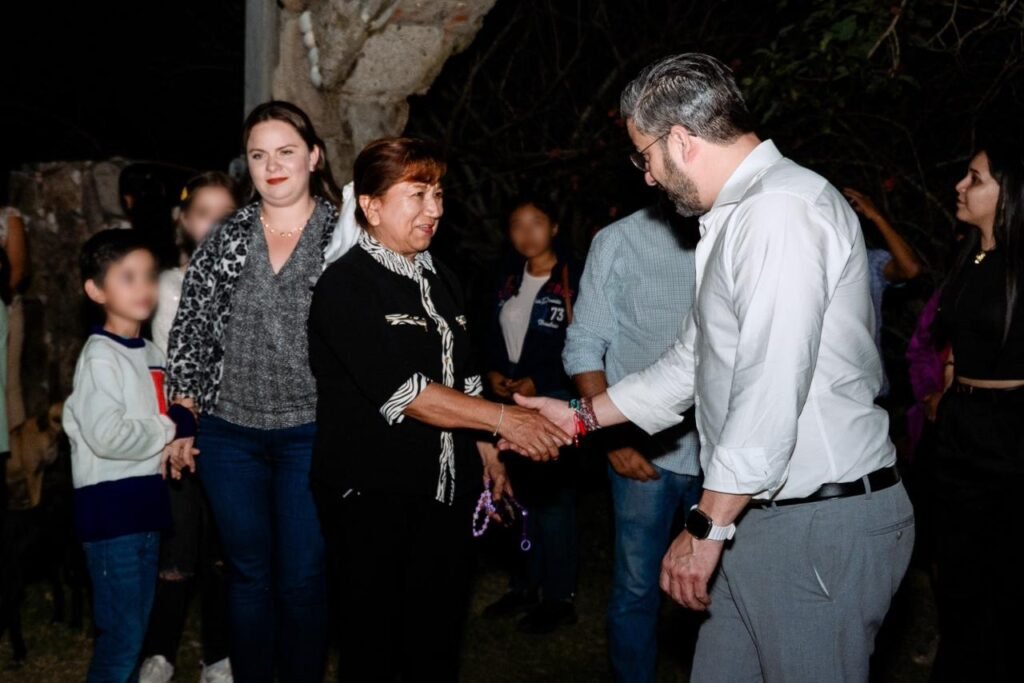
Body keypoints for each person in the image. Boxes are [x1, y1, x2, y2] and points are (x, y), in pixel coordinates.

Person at [507, 53, 914, 682]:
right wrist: (580, 417)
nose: (646, 177)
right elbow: (691, 363)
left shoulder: (780, 212)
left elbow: (769, 382)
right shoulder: (738, 216)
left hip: (815, 521)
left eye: (643, 157)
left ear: (680, 140)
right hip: (759, 515)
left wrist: (706, 523)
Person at [308, 137, 571, 682]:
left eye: (439, 194)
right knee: (374, 650)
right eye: (418, 194)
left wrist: (489, 456)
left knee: (436, 642)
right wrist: (506, 419)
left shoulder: (442, 277)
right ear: (372, 206)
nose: (435, 209)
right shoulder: (345, 285)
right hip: (372, 497)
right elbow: (407, 393)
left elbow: (467, 376)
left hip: (446, 496)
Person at [164, 101, 343, 683]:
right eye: (259, 155)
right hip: (229, 435)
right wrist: (184, 417)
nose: (273, 166)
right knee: (247, 576)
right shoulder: (227, 235)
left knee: (303, 577)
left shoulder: (344, 236)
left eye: (286, 151)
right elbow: (190, 329)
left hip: (312, 433)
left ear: (314, 157)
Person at [562, 201, 702, 683]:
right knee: (637, 589)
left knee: (727, 593)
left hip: (727, 463)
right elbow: (584, 343)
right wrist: (612, 440)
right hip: (644, 457)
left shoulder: (738, 229)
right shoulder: (619, 239)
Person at [63, 229, 195, 682]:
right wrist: (169, 426)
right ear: (96, 291)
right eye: (127, 277)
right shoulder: (100, 357)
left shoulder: (151, 353)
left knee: (136, 631)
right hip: (110, 515)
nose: (144, 287)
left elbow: (159, 421)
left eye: (149, 276)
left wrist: (175, 439)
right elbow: (108, 437)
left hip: (146, 509)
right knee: (121, 637)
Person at [927, 144, 1024, 681]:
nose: (960, 187)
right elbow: (958, 331)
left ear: (1009, 194)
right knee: (956, 571)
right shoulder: (971, 254)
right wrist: (950, 373)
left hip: (1008, 433)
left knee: (1006, 576)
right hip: (960, 428)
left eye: (975, 178)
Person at [140, 172, 238, 683]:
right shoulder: (163, 286)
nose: (214, 226)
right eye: (204, 214)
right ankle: (160, 651)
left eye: (226, 215)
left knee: (223, 552)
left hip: (232, 439)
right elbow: (165, 363)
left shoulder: (252, 285)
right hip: (174, 435)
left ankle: (218, 655)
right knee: (175, 551)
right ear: (184, 221)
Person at [482, 195, 581, 634]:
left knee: (554, 501)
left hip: (555, 397)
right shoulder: (505, 277)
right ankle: (523, 585)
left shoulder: (574, 278)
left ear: (554, 227)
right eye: (517, 225)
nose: (527, 233)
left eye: (536, 222)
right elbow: (488, 333)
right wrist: (493, 371)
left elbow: (582, 344)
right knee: (516, 494)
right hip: (510, 399)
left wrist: (539, 381)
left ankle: (559, 597)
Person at [842, 188, 922, 396]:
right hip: (820, 389)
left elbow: (910, 268)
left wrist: (876, 217)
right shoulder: (802, 264)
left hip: (867, 389)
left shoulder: (866, 263)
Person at [1, 206, 28, 434]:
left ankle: (16, 449)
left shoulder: (8, 217)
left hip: (4, 309)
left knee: (8, 384)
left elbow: (16, 272)